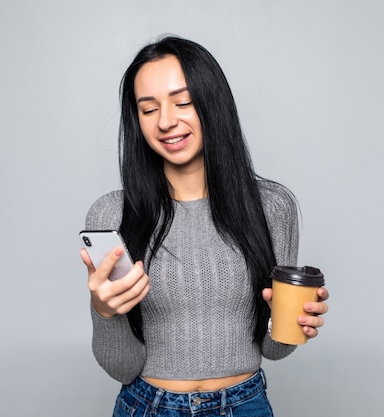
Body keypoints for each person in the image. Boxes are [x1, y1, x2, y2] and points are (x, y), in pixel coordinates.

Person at [80, 36, 329, 417]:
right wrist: (104, 311)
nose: (165, 121)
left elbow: (274, 350)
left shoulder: (271, 207)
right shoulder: (111, 215)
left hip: (244, 404)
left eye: (183, 102)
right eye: (148, 110)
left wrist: (295, 321)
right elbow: (122, 368)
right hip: (148, 407)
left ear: (213, 103)